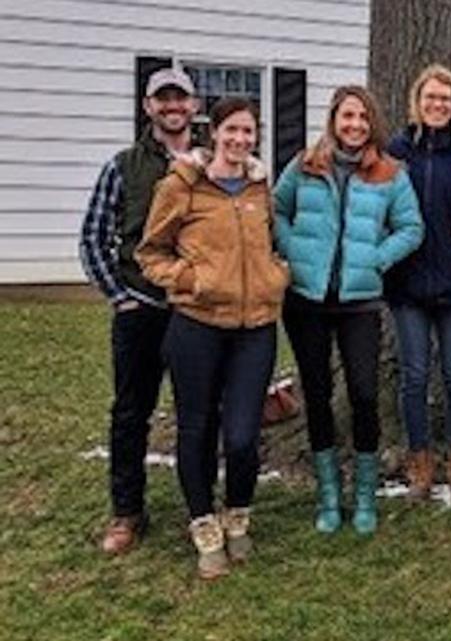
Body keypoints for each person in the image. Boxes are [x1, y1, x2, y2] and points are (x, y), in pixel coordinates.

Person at [136, 97, 290, 579]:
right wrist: (190, 280)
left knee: (243, 436)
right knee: (196, 428)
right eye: (232, 131)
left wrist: (275, 274)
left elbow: (276, 241)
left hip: (256, 326)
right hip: (197, 325)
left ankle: (237, 511)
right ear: (214, 132)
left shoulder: (262, 187)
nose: (240, 140)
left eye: (248, 132)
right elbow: (151, 252)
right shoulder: (182, 185)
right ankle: (203, 524)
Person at [274, 85, 423, 534]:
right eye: (346, 117)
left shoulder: (389, 173)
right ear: (334, 120)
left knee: (362, 394)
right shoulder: (305, 164)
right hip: (306, 300)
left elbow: (412, 227)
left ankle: (364, 494)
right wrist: (293, 249)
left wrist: (377, 257)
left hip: (360, 301)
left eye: (362, 117)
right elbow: (276, 210)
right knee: (317, 394)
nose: (354, 125)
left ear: (371, 123)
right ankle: (328, 495)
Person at [79, 67, 200, 555]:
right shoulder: (123, 166)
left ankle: (201, 510)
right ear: (149, 107)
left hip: (195, 310)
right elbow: (93, 236)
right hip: (142, 307)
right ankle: (127, 511)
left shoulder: (209, 164)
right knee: (132, 412)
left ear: (194, 106)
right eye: (162, 99)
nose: (172, 107)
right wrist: (119, 296)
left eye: (181, 99)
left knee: (199, 411)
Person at [386, 65, 451, 502]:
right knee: (414, 376)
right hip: (407, 286)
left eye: (446, 98)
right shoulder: (397, 151)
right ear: (417, 102)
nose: (438, 105)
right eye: (430, 98)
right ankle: (421, 467)